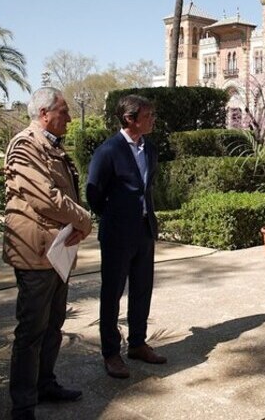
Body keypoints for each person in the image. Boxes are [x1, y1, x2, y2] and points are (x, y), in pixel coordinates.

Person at [3, 87, 93, 420]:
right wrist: (84, 220)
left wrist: (78, 224)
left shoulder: (51, 146)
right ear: (44, 114)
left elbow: (64, 194)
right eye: (64, 111)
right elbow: (46, 198)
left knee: (53, 323)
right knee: (31, 330)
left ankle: (45, 384)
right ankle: (23, 404)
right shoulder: (25, 145)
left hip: (56, 252)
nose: (69, 117)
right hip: (35, 252)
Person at [86, 94, 166, 378]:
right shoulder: (108, 151)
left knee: (142, 289)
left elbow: (147, 187)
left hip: (144, 231)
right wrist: (114, 216)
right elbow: (93, 193)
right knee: (112, 294)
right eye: (148, 115)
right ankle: (111, 354)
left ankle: (137, 344)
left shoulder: (150, 149)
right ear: (130, 119)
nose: (153, 119)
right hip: (117, 234)